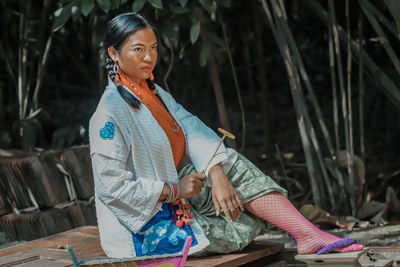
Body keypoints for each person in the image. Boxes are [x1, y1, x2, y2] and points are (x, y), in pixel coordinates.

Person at [89, 12, 363, 258]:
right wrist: (174, 190)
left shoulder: (153, 93)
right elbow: (111, 188)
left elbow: (191, 127)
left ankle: (308, 234)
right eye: (138, 50)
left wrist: (216, 172)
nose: (149, 57)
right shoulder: (109, 113)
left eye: (153, 48)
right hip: (145, 226)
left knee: (232, 168)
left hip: (179, 198)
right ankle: (303, 232)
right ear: (114, 53)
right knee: (247, 223)